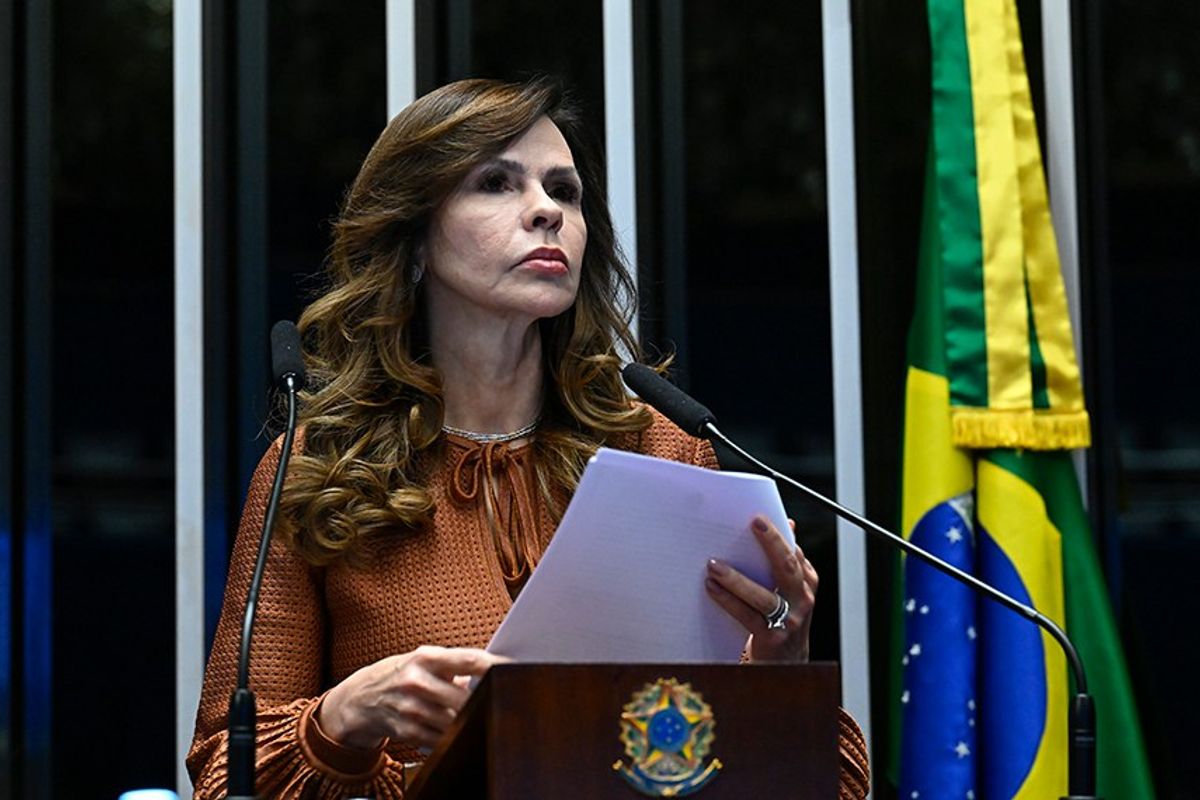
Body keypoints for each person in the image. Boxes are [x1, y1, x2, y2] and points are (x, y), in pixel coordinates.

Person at [187, 76, 870, 799]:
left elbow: (833, 786)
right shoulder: (316, 465)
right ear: (414, 238)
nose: (546, 211)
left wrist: (776, 674)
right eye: (495, 183)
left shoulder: (663, 453)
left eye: (565, 191)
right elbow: (224, 777)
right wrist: (342, 718)